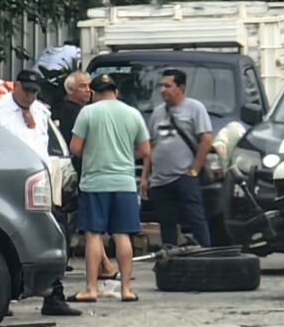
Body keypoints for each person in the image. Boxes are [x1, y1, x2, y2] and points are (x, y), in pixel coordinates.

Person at [0, 69, 81, 317]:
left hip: (41, 179)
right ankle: (0, 299)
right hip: (11, 181)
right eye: (26, 90)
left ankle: (53, 295)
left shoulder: (41, 111)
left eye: (34, 91)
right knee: (9, 236)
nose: (30, 96)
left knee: (54, 232)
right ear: (16, 86)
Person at [68, 74, 150, 302]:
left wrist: (94, 152)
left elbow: (75, 148)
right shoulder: (133, 114)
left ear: (93, 93)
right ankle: (125, 289)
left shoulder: (87, 112)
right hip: (124, 182)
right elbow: (144, 151)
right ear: (116, 91)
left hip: (94, 182)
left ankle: (91, 289)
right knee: (122, 235)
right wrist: (123, 154)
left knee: (94, 235)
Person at [54, 71, 120, 279]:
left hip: (87, 173)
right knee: (90, 226)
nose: (87, 90)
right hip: (79, 173)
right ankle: (105, 266)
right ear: (70, 91)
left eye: (88, 86)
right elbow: (76, 147)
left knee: (88, 225)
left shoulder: (85, 111)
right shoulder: (72, 112)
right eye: (82, 86)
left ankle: (104, 265)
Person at [140, 68, 213, 247]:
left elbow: (206, 139)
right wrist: (145, 176)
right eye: (161, 86)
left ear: (180, 88)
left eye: (168, 85)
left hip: (184, 176)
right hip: (160, 179)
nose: (162, 90)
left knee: (196, 218)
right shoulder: (157, 113)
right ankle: (170, 257)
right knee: (166, 222)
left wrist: (195, 169)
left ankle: (206, 254)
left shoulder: (195, 108)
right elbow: (151, 146)